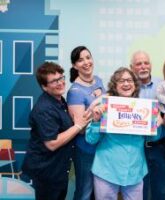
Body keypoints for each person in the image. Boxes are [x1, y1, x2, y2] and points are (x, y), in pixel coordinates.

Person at [22, 62, 90, 200]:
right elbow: (52, 143)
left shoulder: (59, 100)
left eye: (61, 78)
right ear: (44, 87)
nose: (60, 83)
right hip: (47, 171)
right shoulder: (44, 109)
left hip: (58, 169)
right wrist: (77, 126)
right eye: (54, 81)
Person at [84, 67, 148, 200]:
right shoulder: (103, 106)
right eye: (121, 81)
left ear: (135, 85)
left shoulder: (144, 108)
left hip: (134, 171)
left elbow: (154, 136)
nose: (126, 84)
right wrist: (96, 121)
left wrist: (156, 123)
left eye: (129, 80)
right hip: (107, 171)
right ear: (115, 85)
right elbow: (90, 139)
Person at [130, 51, 165, 200]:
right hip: (136, 148)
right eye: (138, 64)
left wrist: (164, 117)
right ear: (131, 67)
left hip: (159, 148)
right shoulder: (127, 88)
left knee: (161, 192)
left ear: (151, 65)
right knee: (137, 193)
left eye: (146, 63)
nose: (143, 67)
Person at [67, 46, 106, 200]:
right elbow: (81, 128)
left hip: (102, 147)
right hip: (85, 149)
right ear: (75, 66)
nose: (86, 62)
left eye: (88, 57)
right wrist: (96, 112)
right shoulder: (75, 92)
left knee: (99, 192)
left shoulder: (98, 80)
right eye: (80, 60)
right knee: (85, 191)